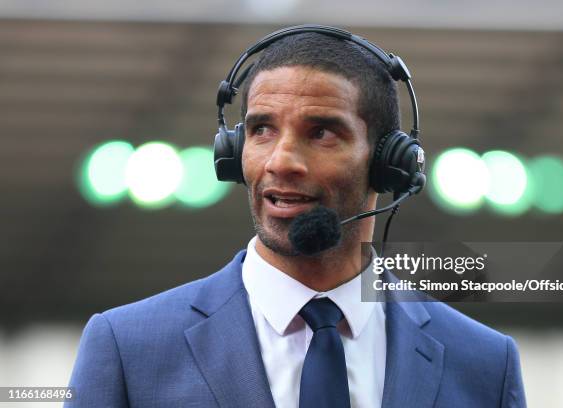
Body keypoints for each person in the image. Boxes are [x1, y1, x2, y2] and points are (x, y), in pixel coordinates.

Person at [66, 26, 526, 408]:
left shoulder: (484, 362)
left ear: (388, 163)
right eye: (262, 129)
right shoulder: (128, 346)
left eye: (321, 131)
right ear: (233, 152)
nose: (281, 161)